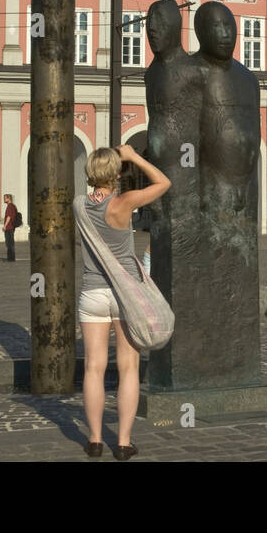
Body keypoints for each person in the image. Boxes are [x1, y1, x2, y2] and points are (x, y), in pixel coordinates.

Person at [75, 143, 171, 459]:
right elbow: (163, 183)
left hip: (92, 294)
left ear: (90, 173)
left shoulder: (78, 205)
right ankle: (124, 442)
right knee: (128, 367)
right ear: (116, 173)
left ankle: (94, 439)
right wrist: (133, 157)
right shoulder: (124, 203)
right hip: (125, 294)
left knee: (93, 367)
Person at [2, 194, 17, 261]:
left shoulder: (10, 206)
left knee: (9, 243)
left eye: (5, 198)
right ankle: (11, 257)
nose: (4, 199)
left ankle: (10, 258)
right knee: (11, 243)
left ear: (9, 199)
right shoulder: (13, 206)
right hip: (12, 227)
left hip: (9, 227)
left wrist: (5, 226)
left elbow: (9, 216)